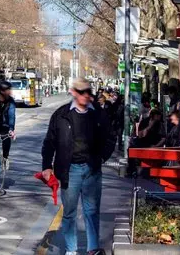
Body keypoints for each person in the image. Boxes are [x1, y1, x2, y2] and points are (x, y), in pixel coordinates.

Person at [41, 77, 116, 255]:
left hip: (92, 170)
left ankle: (92, 250)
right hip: (69, 170)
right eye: (81, 92)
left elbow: (110, 137)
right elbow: (49, 142)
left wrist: (101, 159)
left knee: (92, 211)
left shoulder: (98, 113)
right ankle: (71, 250)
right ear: (73, 92)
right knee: (69, 213)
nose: (85, 95)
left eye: (88, 92)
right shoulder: (61, 114)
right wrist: (46, 165)